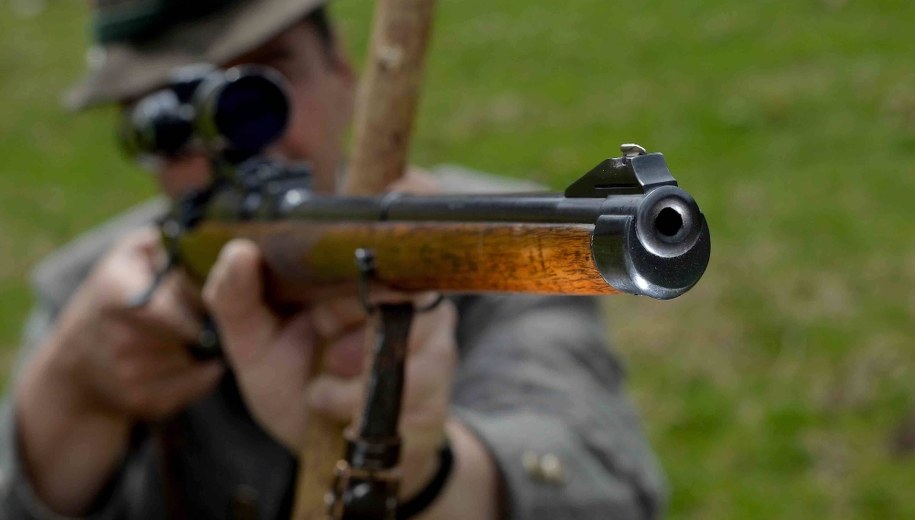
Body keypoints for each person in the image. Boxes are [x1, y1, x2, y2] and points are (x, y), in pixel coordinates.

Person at [0, 0, 666, 518]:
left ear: (342, 70)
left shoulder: (481, 241)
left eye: (270, 75)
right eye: (169, 114)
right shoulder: (95, 291)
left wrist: (423, 476)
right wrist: (72, 394)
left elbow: (607, 490)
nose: (241, 140)